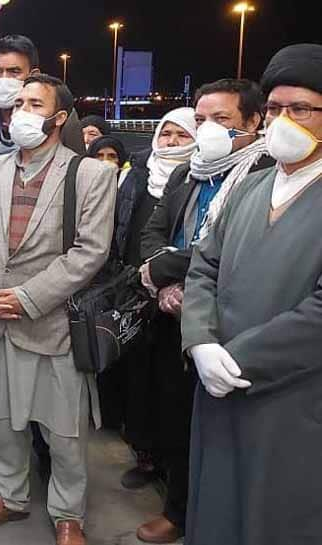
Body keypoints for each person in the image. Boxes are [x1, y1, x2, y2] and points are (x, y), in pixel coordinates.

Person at [0, 74, 116, 545]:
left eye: (34, 103)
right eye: (18, 103)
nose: (20, 111)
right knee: (3, 422)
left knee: (64, 431)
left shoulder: (90, 174)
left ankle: (68, 512)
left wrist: (27, 298)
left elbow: (90, 252)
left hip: (52, 324)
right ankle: (10, 497)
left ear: (59, 117)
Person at [181, 43, 322, 545]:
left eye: (301, 108)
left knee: (276, 514)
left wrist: (237, 360)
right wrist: (199, 341)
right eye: (277, 109)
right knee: (216, 503)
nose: (285, 121)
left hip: (291, 397)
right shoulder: (249, 186)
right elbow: (203, 266)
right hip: (215, 381)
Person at [135, 79, 271, 544]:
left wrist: (171, 268)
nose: (207, 130)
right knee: (176, 416)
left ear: (253, 123)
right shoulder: (187, 174)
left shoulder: (264, 175)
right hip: (173, 315)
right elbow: (152, 235)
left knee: (226, 426)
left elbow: (223, 250)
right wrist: (165, 281)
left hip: (227, 321)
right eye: (201, 120)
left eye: (222, 120)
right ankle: (179, 509)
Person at [113, 107, 197, 492]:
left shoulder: (195, 181)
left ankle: (172, 467)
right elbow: (135, 232)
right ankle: (145, 456)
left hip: (181, 299)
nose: (172, 143)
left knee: (172, 386)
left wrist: (167, 280)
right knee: (139, 379)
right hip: (138, 291)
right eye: (167, 135)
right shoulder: (138, 178)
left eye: (182, 135)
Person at [0, 35, 85, 165]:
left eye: (14, 71)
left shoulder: (59, 120)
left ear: (34, 74)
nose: (4, 79)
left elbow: (77, 169)